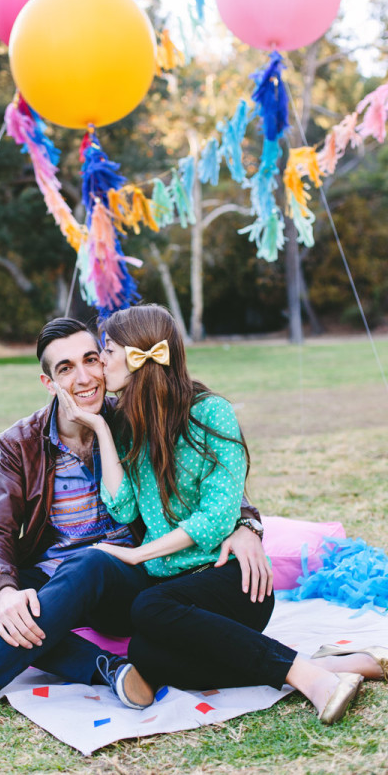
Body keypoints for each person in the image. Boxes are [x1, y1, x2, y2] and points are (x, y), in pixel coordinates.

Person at [0, 316, 271, 739]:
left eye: (92, 359)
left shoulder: (135, 416)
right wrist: (6, 592)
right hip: (51, 580)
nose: (85, 377)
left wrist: (247, 525)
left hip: (122, 578)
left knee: (90, 562)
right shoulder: (21, 443)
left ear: (108, 363)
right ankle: (102, 667)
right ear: (48, 382)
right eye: (66, 368)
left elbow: (207, 480)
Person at [55, 304, 387, 723]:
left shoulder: (210, 412)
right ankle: (332, 665)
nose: (101, 361)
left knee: (147, 609)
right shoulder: (124, 424)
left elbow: (215, 517)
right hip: (175, 591)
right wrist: (101, 429)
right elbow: (121, 508)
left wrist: (141, 554)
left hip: (232, 577)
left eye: (107, 350)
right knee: (144, 653)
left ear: (138, 355)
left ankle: (312, 679)